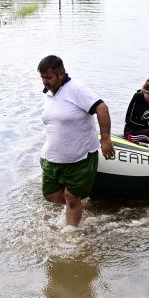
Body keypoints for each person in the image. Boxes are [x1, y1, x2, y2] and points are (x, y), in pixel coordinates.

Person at [38, 55, 114, 227]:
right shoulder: (49, 93)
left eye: (48, 77)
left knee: (71, 197)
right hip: (54, 157)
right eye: (42, 77)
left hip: (80, 157)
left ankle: (71, 235)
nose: (45, 82)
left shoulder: (77, 89)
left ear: (61, 74)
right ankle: (81, 206)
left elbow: (102, 108)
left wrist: (106, 139)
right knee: (49, 195)